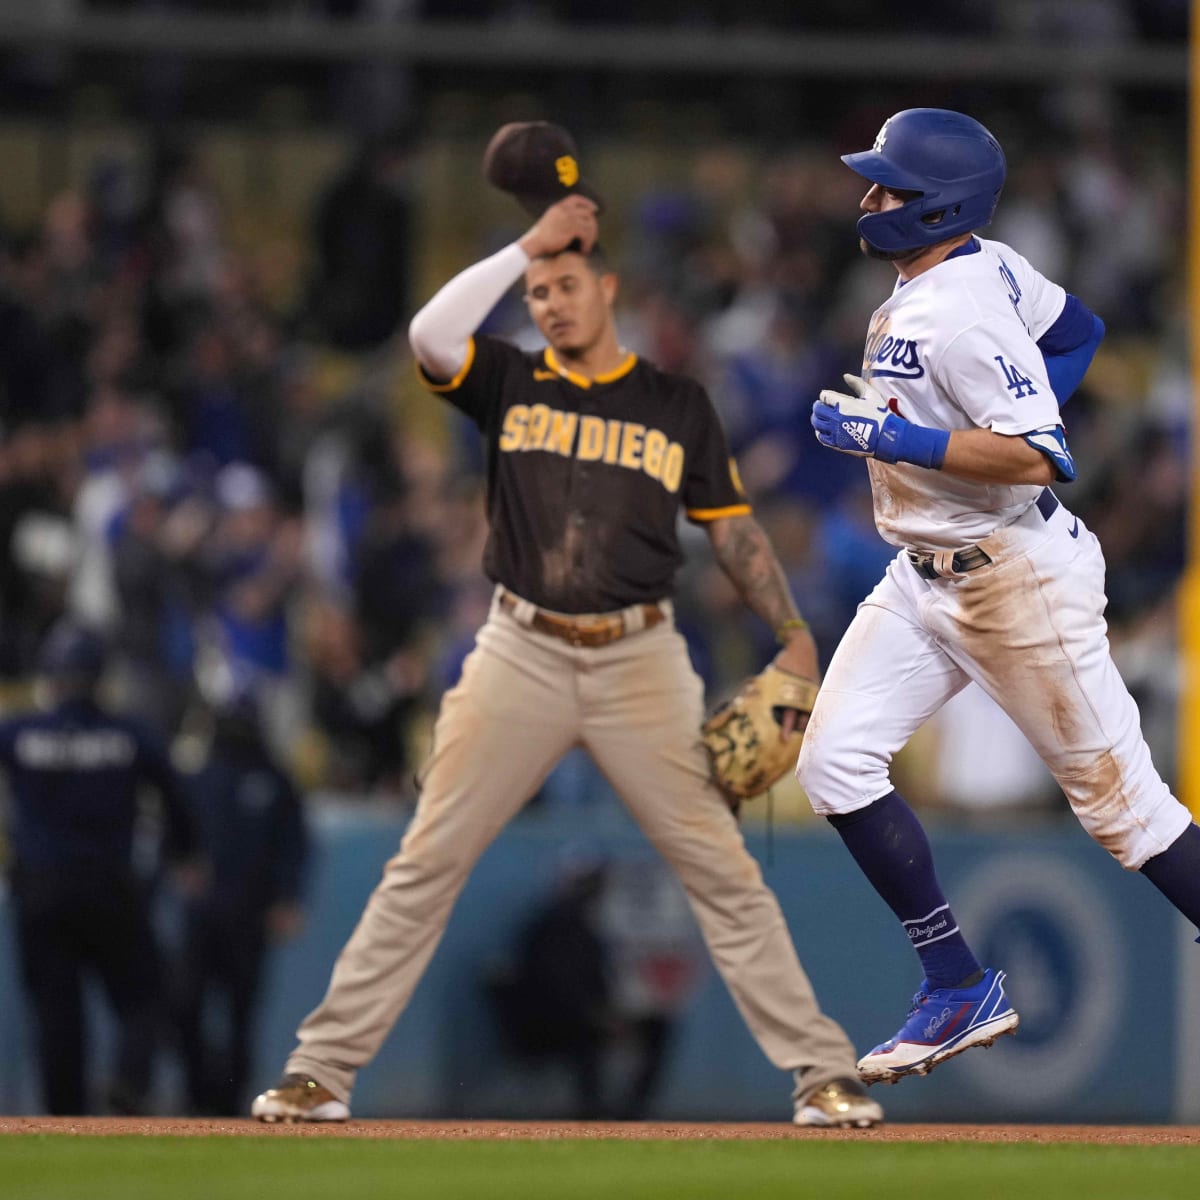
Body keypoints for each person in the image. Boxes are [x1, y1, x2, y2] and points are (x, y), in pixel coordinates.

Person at [252, 136, 883, 1128]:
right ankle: (320, 1070)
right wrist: (526, 245)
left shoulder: (676, 404)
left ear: (610, 289)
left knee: (722, 870)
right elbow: (426, 332)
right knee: (426, 859)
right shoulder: (508, 381)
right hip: (519, 651)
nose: (550, 301)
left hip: (640, 658)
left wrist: (795, 635)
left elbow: (735, 534)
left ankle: (820, 1072)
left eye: (565, 285)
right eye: (538, 292)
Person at [797, 108, 1200, 1086]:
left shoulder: (958, 308)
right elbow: (1081, 331)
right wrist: (983, 413)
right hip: (925, 573)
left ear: (937, 203)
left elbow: (1040, 453)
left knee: (1130, 819)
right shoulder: (978, 265)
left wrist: (898, 443)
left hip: (1012, 577)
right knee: (835, 764)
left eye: (888, 185)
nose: (868, 197)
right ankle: (955, 984)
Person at [0, 619, 202, 1115]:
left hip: (41, 890)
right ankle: (129, 1085)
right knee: (143, 996)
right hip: (110, 885)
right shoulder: (128, 734)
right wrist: (184, 853)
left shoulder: (20, 731)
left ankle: (63, 1119)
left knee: (56, 1012)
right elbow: (176, 797)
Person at [173, 688, 309, 1115]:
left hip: (249, 914)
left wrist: (287, 899)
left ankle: (228, 1102)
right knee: (186, 1005)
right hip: (203, 915)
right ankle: (200, 1092)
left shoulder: (274, 781)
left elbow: (294, 846)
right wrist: (178, 864)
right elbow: (174, 833)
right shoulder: (198, 777)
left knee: (241, 1013)